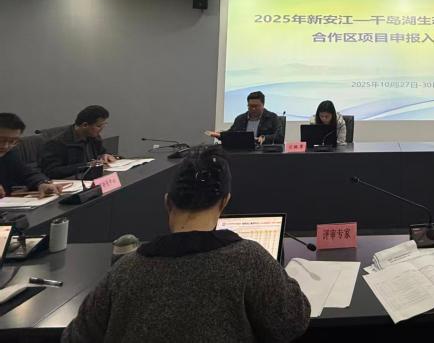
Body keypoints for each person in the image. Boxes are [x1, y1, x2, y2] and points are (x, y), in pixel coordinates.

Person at [61, 146, 310, 342]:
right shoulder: (249, 259)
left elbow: (75, 337)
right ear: (224, 202)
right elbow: (291, 322)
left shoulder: (124, 271)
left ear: (167, 202)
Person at [41, 105, 116, 179]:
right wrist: (86, 165)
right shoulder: (57, 143)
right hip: (70, 181)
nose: (102, 129)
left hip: (91, 178)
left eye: (104, 125)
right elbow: (52, 171)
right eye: (99, 126)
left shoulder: (94, 137)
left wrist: (105, 155)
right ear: (85, 125)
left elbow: (101, 153)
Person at [0, 113, 64, 197]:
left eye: (12, 141)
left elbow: (28, 173)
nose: (5, 146)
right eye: (1, 140)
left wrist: (41, 183)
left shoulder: (9, 154)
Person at [207, 91, 283, 145]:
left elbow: (279, 136)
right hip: (242, 152)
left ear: (263, 105)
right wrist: (220, 135)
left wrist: (264, 138)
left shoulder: (272, 118)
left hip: (263, 154)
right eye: (250, 106)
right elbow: (231, 134)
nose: (253, 109)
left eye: (256, 106)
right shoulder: (240, 119)